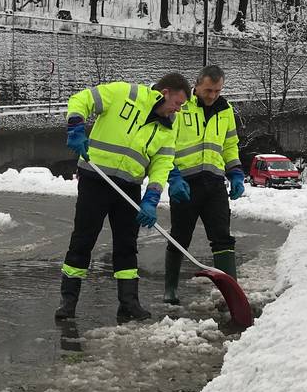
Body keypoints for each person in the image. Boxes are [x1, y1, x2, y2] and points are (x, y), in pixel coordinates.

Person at [55, 73, 191, 324]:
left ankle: (129, 303)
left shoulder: (168, 128)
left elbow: (162, 164)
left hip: (129, 187)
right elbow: (81, 99)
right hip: (95, 178)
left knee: (127, 245)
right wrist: (76, 127)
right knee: (83, 239)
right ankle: (68, 301)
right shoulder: (125, 93)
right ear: (165, 93)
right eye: (178, 103)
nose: (178, 110)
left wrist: (151, 199)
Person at [162, 64, 243, 305]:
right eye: (208, 90)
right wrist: (172, 176)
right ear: (196, 86)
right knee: (180, 236)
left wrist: (236, 172)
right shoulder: (181, 107)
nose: (212, 96)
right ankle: (170, 288)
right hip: (185, 183)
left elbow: (230, 145)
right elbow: (166, 144)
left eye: (217, 91)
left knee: (222, 237)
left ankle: (231, 294)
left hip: (215, 183)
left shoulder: (225, 110)